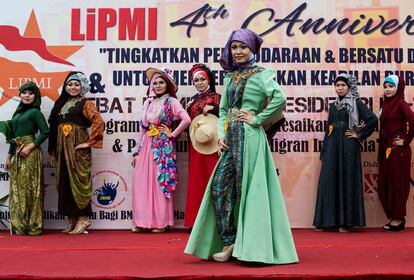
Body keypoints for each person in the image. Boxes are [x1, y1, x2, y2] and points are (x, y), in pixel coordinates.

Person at [185, 29, 298, 264]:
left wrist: (257, 119)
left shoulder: (261, 74)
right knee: (219, 187)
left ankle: (254, 248)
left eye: (242, 47)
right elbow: (224, 109)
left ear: (252, 49)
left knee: (250, 190)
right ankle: (229, 240)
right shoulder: (230, 77)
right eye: (234, 47)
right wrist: (222, 134)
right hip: (231, 138)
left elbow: (279, 99)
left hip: (250, 137)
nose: (237, 52)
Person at [313, 73, 378, 232]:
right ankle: (326, 221)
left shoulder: (355, 103)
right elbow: (329, 128)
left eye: (343, 85)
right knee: (328, 180)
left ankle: (345, 222)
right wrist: (325, 150)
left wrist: (359, 134)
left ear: (349, 87)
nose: (340, 88)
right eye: (337, 85)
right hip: (333, 146)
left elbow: (373, 120)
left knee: (346, 180)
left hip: (348, 147)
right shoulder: (334, 105)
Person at [131, 67, 190, 233]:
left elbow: (186, 119)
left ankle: (160, 222)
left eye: (161, 82)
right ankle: (141, 221)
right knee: (141, 182)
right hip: (147, 144)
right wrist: (136, 151)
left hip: (163, 146)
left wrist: (172, 134)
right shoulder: (148, 102)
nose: (157, 85)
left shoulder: (171, 102)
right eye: (154, 83)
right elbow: (143, 129)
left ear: (167, 84)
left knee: (160, 182)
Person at [48, 72, 104, 235]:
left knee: (79, 182)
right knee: (64, 182)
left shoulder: (86, 103)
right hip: (61, 150)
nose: (73, 87)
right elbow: (53, 128)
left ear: (82, 86)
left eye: (76, 84)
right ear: (65, 87)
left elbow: (98, 121)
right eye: (70, 84)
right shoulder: (60, 104)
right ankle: (73, 217)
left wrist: (88, 142)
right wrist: (53, 152)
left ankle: (84, 218)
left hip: (77, 149)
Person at [0, 82, 49, 235]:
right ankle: (20, 225)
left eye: (31, 93)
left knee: (30, 188)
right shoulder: (17, 113)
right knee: (19, 189)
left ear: (35, 96)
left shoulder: (35, 112)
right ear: (19, 95)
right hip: (17, 152)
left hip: (31, 152)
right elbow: (14, 137)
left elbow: (45, 132)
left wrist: (30, 147)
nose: (27, 95)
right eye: (24, 93)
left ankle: (34, 225)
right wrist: (9, 157)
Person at [184, 64, 221, 228]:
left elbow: (227, 115)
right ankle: (197, 222)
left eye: (202, 79)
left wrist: (215, 108)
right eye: (196, 80)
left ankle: (215, 222)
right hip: (196, 146)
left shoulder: (217, 98)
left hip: (214, 146)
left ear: (209, 80)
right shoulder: (192, 102)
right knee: (197, 181)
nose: (199, 83)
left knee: (213, 181)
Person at [377, 75, 414, 232]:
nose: (387, 89)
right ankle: (395, 216)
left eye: (391, 86)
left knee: (398, 185)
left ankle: (398, 218)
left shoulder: (401, 103)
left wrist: (405, 140)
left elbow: (412, 120)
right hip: (387, 150)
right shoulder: (386, 105)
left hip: (398, 151)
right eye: (385, 86)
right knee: (385, 184)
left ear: (398, 87)